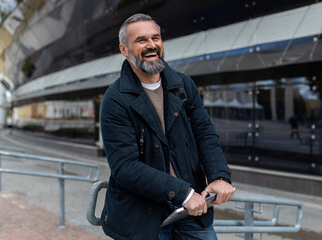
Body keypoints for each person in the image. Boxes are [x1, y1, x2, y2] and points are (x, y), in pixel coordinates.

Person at [100, 13, 235, 240]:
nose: (151, 45)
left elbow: (205, 133)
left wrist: (219, 175)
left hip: (192, 209)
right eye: (141, 40)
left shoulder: (183, 85)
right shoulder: (115, 99)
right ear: (124, 50)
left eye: (156, 38)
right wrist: (183, 193)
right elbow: (125, 166)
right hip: (143, 214)